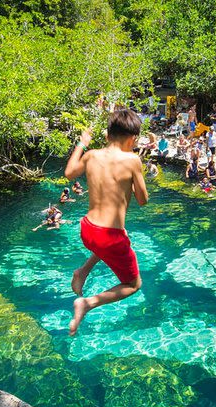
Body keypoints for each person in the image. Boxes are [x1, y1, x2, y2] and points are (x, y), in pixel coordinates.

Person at [64, 110, 148, 336]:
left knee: (115, 240)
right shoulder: (132, 160)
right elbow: (143, 200)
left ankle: (82, 272)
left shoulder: (91, 154)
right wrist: (130, 181)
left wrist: (82, 143)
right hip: (109, 236)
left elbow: (69, 173)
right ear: (132, 139)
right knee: (133, 284)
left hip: (87, 229)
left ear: (108, 134)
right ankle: (88, 303)